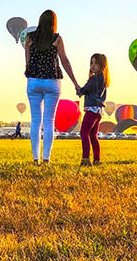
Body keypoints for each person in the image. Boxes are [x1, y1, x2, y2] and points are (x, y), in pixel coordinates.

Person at [25, 10, 79, 165]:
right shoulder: (57, 39)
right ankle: (47, 158)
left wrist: (31, 76)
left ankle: (36, 159)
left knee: (35, 121)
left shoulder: (30, 38)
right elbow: (65, 61)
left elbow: (27, 63)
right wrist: (75, 83)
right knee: (49, 121)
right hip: (52, 81)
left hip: (34, 80)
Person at [76, 53, 110, 166]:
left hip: (91, 110)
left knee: (83, 133)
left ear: (102, 66)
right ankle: (97, 159)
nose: (93, 66)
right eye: (91, 63)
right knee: (93, 135)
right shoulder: (103, 79)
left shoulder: (94, 78)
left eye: (96, 63)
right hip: (98, 111)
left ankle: (85, 158)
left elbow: (86, 89)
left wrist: (79, 91)